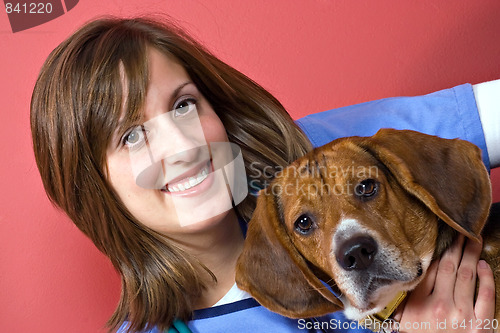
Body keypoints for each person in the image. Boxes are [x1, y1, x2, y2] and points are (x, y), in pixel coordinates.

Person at [30, 17, 497, 333]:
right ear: (93, 188)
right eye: (131, 136)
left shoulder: (314, 160)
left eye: (184, 105)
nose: (185, 147)